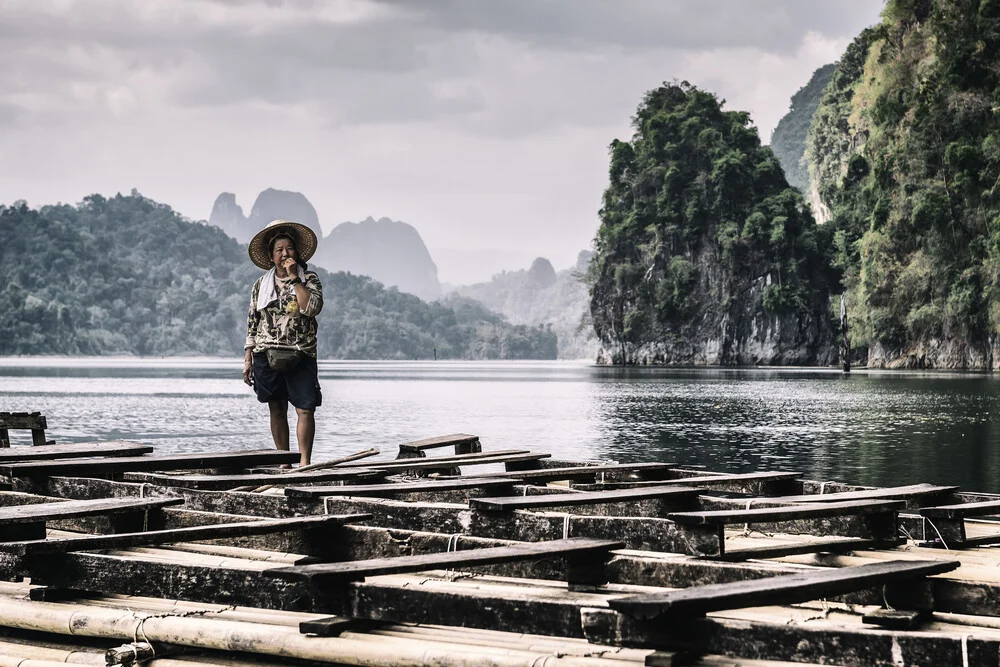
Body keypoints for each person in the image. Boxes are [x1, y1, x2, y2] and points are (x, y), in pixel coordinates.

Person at [243, 219, 323, 466]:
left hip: (300, 353)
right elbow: (252, 321)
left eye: (289, 249)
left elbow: (311, 308)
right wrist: (247, 359)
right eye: (279, 250)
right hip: (266, 353)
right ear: (271, 256)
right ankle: (283, 462)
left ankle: (304, 464)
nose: (285, 254)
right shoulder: (261, 285)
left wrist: (294, 279)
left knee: (305, 408)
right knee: (276, 408)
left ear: (297, 253)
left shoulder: (309, 279)